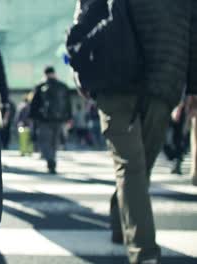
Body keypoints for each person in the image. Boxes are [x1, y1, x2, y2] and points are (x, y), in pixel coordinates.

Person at [73, 0, 197, 263]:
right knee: (134, 167)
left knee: (138, 167)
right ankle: (145, 253)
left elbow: (82, 21)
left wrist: (81, 74)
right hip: (153, 78)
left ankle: (121, 221)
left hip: (135, 79)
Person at [29, 66, 72, 174]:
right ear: (54, 73)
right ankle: (52, 159)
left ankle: (50, 160)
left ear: (45, 74)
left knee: (44, 141)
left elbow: (34, 104)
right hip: (59, 119)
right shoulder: (63, 86)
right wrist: (69, 118)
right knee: (54, 141)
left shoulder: (40, 86)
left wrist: (32, 118)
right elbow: (68, 104)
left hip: (44, 119)